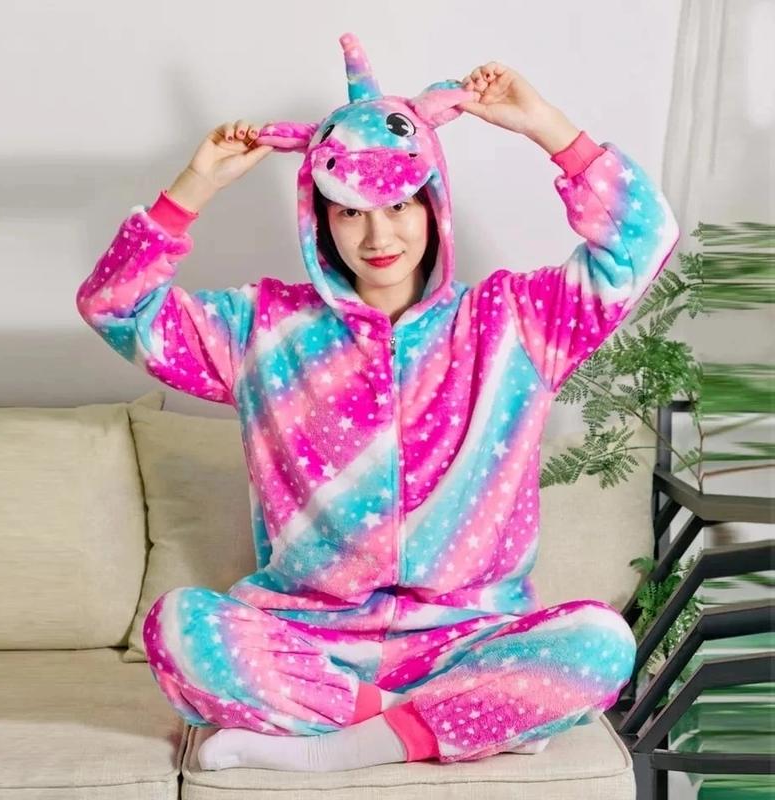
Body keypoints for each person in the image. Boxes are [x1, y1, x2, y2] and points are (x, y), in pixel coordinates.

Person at [75, 32, 680, 773]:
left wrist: (545, 125)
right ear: (319, 218)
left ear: (434, 205)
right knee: (179, 627)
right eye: (349, 212)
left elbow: (643, 238)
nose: (378, 234)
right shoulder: (261, 329)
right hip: (312, 641)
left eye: (399, 204)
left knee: (601, 644)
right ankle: (442, 726)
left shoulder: (516, 321)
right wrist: (192, 188)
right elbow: (114, 306)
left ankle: (336, 747)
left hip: (470, 639)